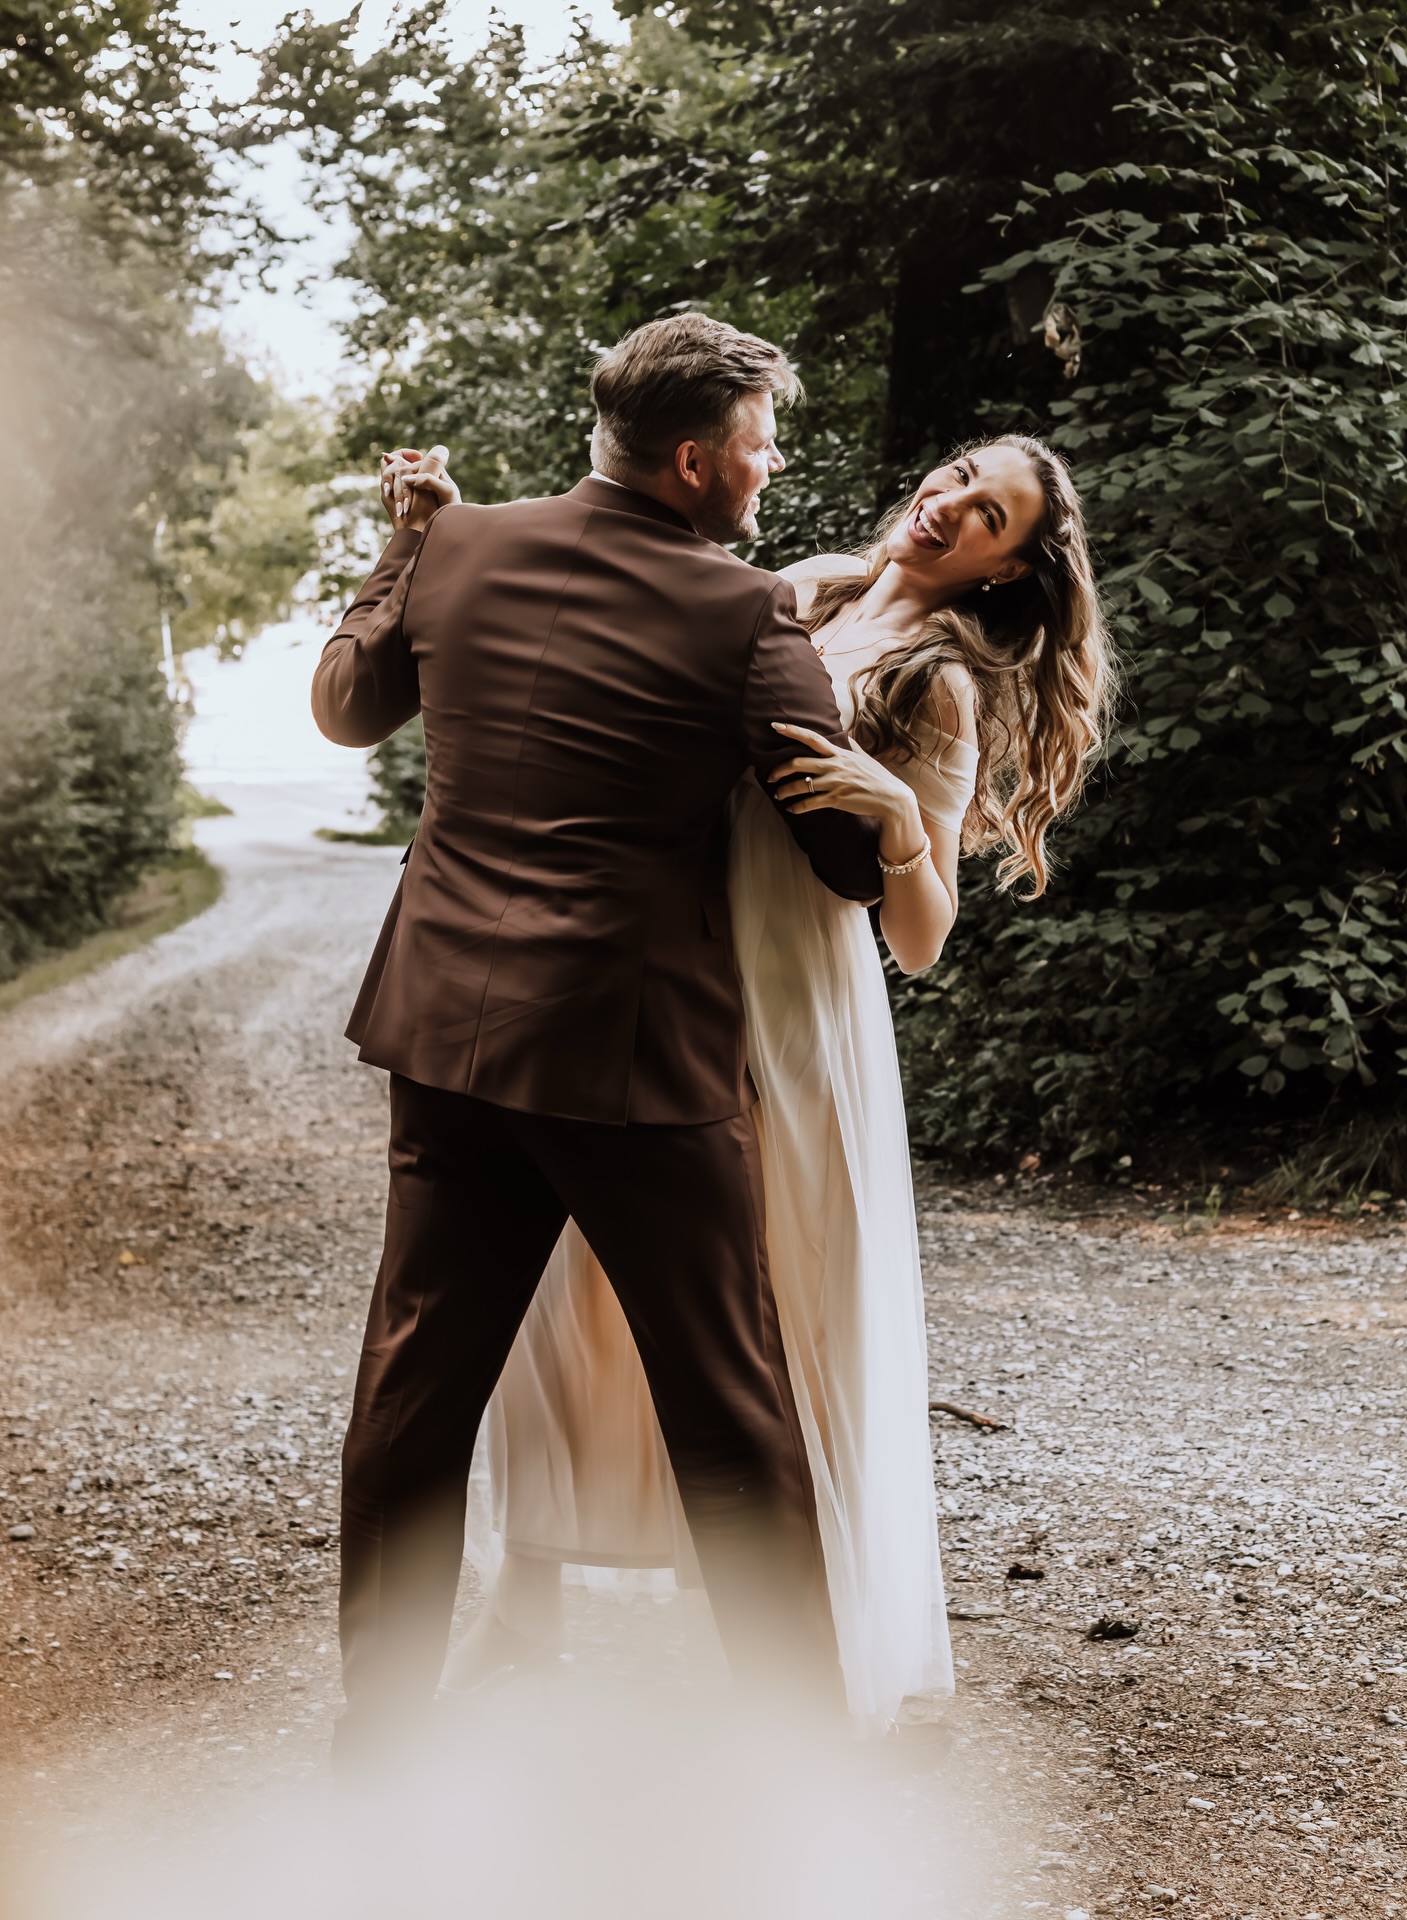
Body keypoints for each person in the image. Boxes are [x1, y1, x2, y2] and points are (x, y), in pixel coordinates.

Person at [401, 429, 1114, 1731]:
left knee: (785, 1320)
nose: (948, 500)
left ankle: (813, 1663)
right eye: (955, 474)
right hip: (660, 978)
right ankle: (525, 1606)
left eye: (990, 512)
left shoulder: (941, 683)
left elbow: (921, 933)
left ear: (1008, 570)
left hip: (792, 1010)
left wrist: (894, 818)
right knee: (566, 1295)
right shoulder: (809, 587)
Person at [312, 314, 892, 1769]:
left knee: (415, 1391)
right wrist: (891, 807)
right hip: (631, 1063)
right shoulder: (742, 611)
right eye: (762, 443)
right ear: (696, 462)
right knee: (730, 1409)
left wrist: (405, 549)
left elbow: (345, 707)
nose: (772, 467)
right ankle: (801, 1761)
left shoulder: (462, 547)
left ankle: (374, 1743)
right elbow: (840, 858)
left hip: (447, 1033)